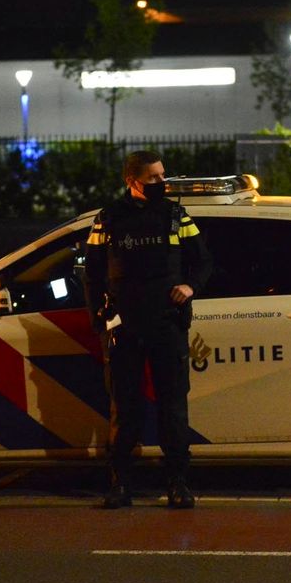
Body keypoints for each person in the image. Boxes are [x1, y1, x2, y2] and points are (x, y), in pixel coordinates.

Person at [84, 151, 212, 509]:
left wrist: (190, 287)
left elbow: (203, 261)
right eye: (153, 178)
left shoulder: (175, 216)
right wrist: (99, 321)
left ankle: (177, 483)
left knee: (173, 408)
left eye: (162, 176)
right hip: (124, 328)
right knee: (125, 408)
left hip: (167, 324)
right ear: (132, 181)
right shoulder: (108, 220)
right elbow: (92, 274)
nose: (162, 183)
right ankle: (120, 484)